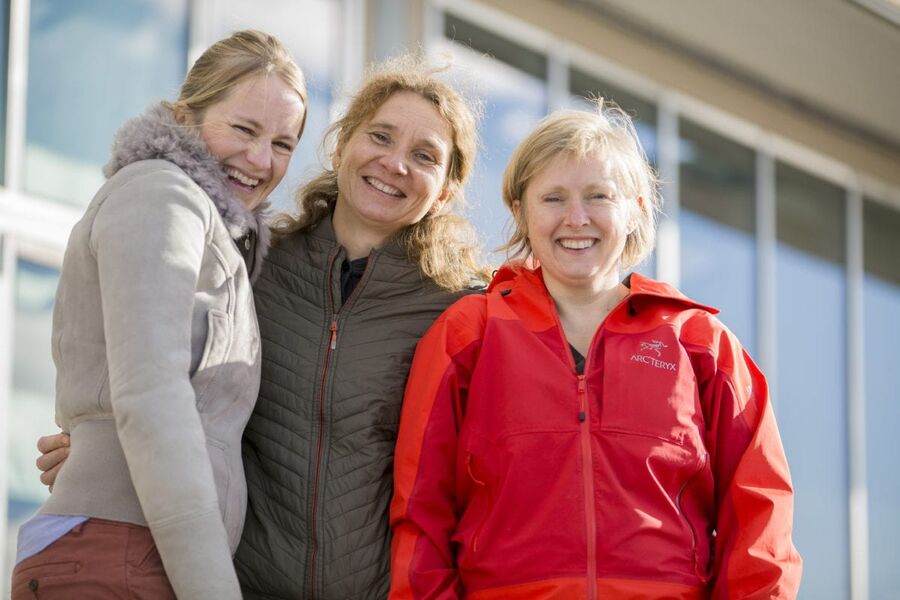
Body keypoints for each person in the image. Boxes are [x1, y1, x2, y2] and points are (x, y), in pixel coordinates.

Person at [36, 54, 489, 599]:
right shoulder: (250, 265)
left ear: (443, 190)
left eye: (424, 156)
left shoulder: (461, 313)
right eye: (381, 136)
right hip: (236, 583)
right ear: (343, 144)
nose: (395, 163)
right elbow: (161, 381)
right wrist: (96, 445)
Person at [389, 103, 802, 598]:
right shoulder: (467, 335)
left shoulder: (701, 344)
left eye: (598, 196)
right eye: (553, 198)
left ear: (636, 210)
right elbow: (420, 516)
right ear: (520, 211)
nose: (576, 218)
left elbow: (761, 522)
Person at [14, 30, 308, 599]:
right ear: (184, 116)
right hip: (121, 553)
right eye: (244, 129)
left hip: (143, 552)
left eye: (283, 143)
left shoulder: (217, 230)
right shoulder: (160, 193)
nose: (260, 160)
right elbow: (151, 396)